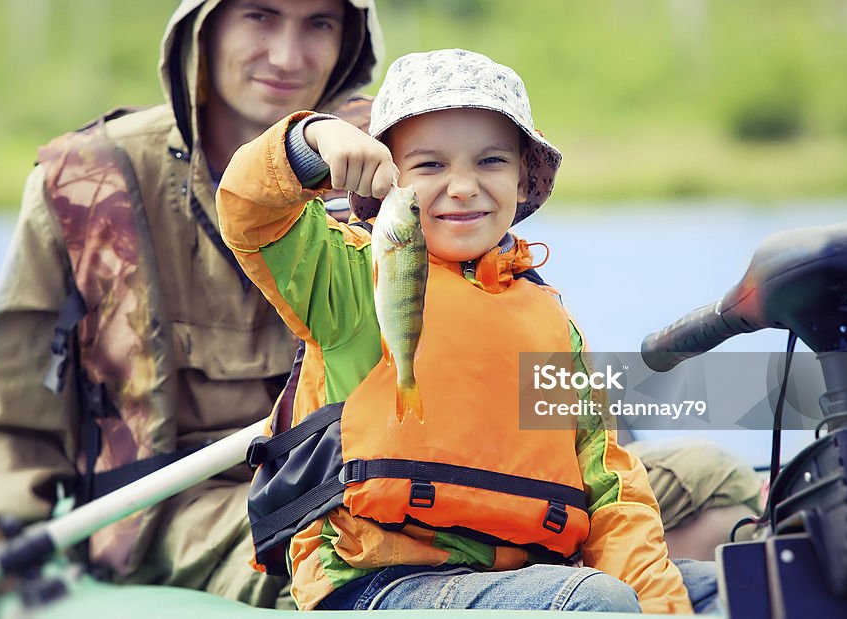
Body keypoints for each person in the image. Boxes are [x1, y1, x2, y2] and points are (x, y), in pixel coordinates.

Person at [0, 0, 383, 606]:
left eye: (318, 24)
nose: (288, 57)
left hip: (375, 489)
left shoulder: (396, 169)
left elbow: (508, 315)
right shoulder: (90, 183)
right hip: (167, 516)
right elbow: (8, 419)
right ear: (204, 30)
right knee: (351, 556)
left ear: (347, 43)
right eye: (261, 16)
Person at [216, 48, 718, 613]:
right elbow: (249, 211)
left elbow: (613, 495)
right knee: (594, 601)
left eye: (491, 162)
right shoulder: (351, 275)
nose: (462, 187)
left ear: (525, 179)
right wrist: (313, 142)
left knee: (727, 588)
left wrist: (663, 609)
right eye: (429, 166)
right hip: (379, 588)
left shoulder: (550, 322)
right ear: (387, 183)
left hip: (523, 580)